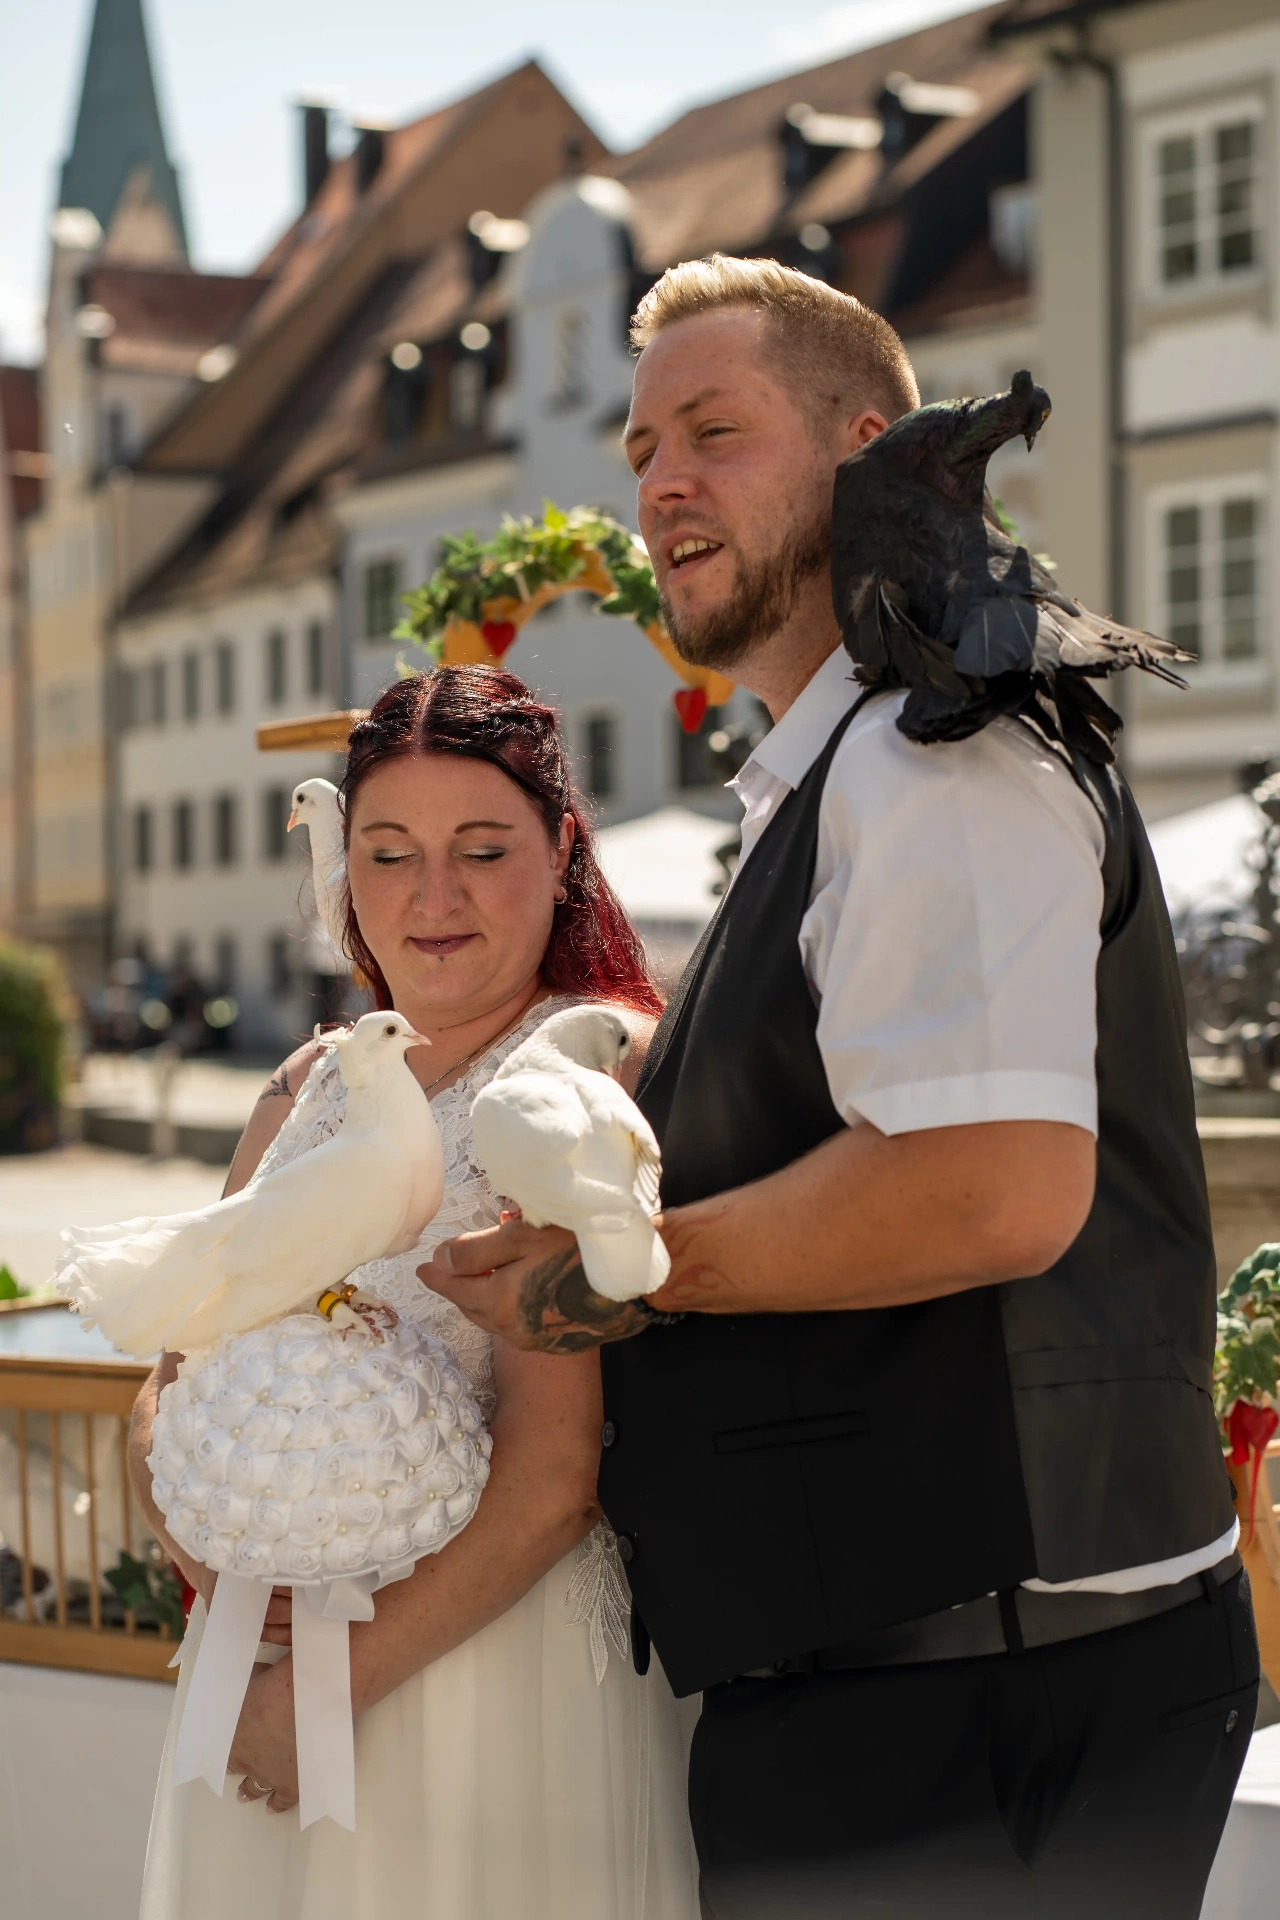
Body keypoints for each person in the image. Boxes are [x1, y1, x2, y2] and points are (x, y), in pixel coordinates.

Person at [427, 258, 1260, 1919]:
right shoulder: (847, 763)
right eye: (643, 445)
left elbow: (993, 1189)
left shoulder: (931, 751)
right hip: (921, 1684)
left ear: (863, 443)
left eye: (714, 432)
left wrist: (614, 1277)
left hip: (976, 1700)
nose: (661, 482)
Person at [129, 665, 701, 1920]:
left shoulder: (580, 1074)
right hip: (261, 1666)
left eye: (479, 849)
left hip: (477, 1677)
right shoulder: (310, 1081)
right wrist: (214, 1559)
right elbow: (177, 1354)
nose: (430, 897)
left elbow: (555, 1480)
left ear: (558, 853)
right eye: (387, 854)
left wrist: (319, 1695)